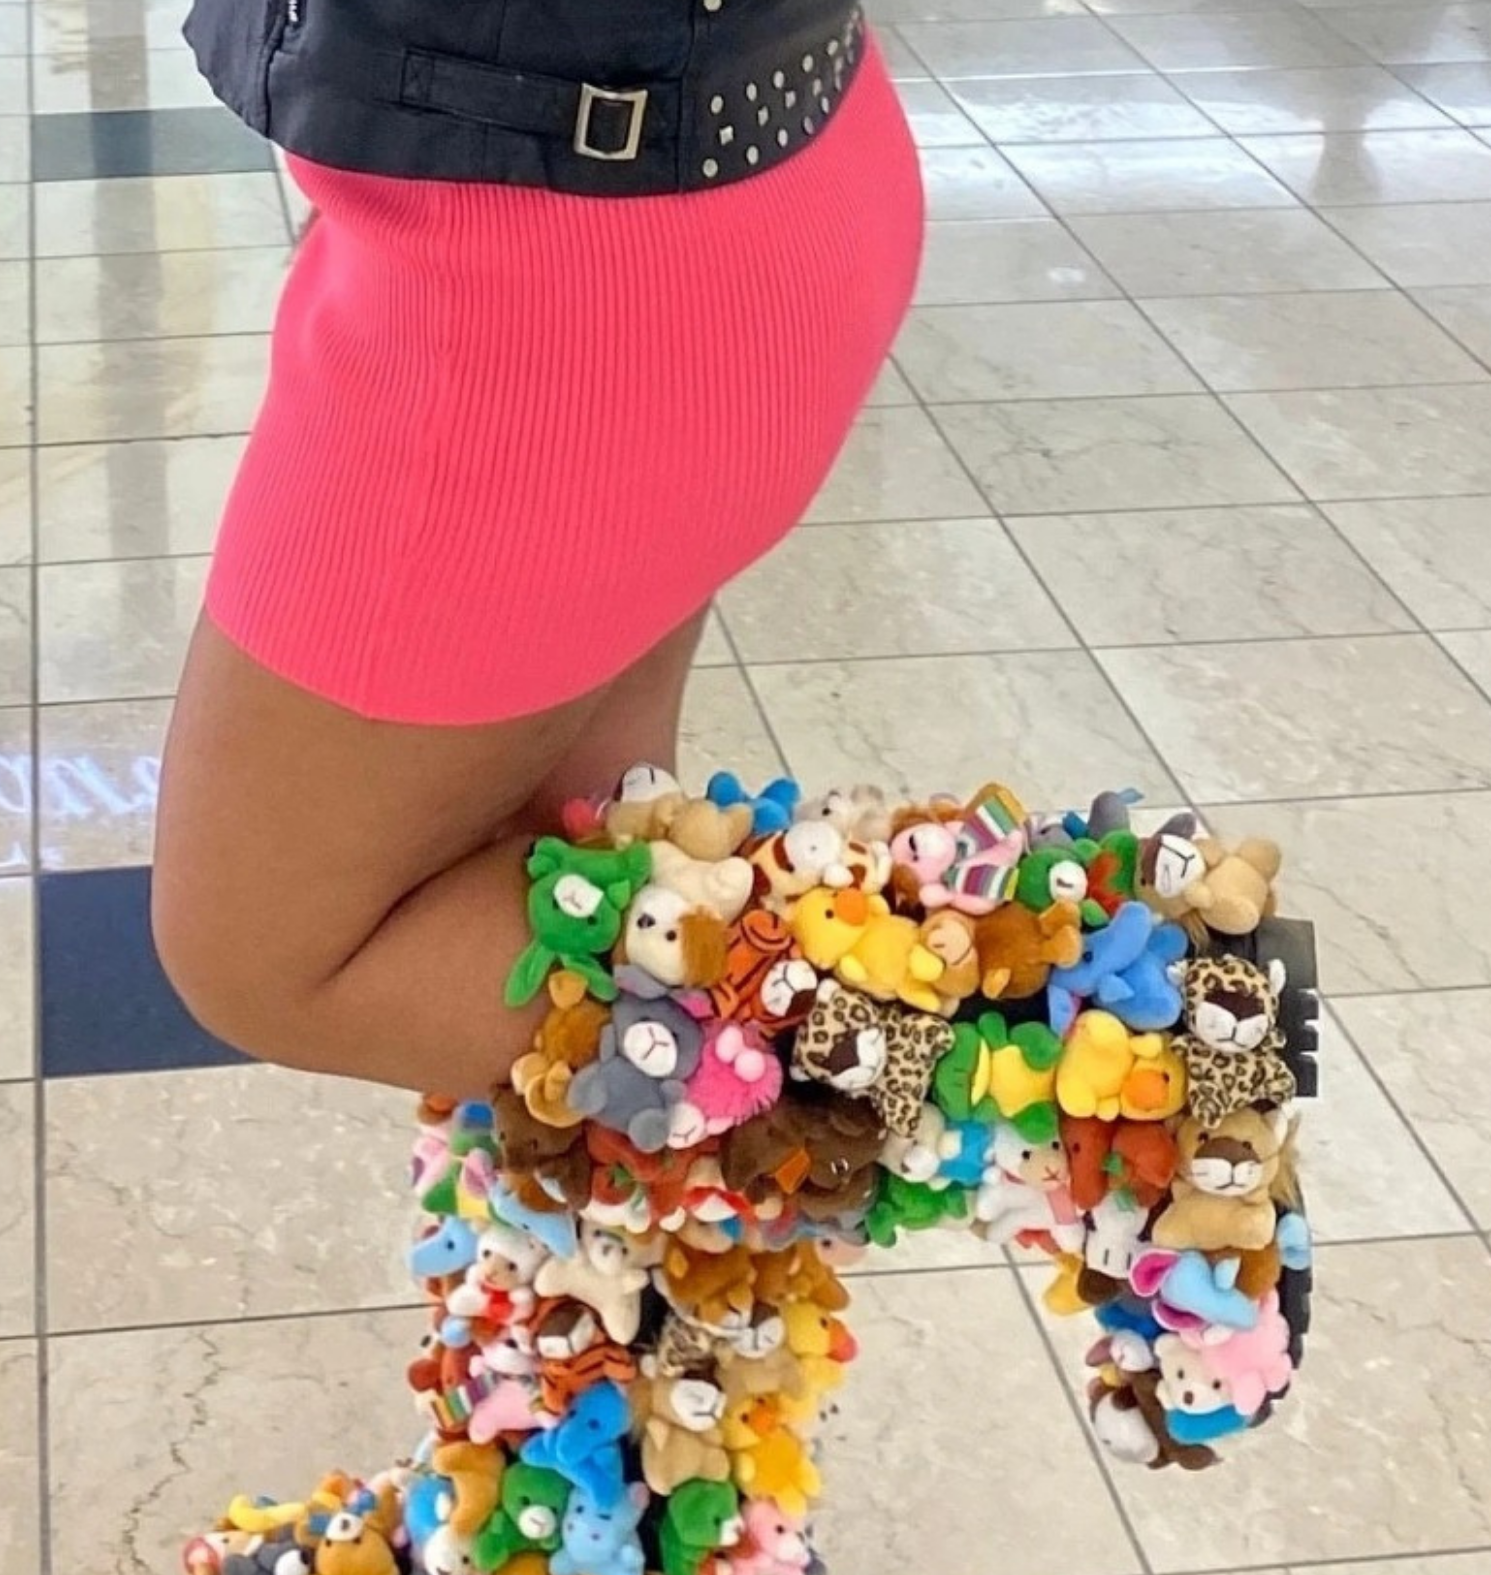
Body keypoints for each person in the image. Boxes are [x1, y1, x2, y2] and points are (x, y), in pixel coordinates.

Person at [152, 0, 924, 1092]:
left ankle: (1061, 1030)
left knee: (272, 958)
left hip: (555, 291)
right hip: (728, 182)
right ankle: (644, 1214)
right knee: (585, 864)